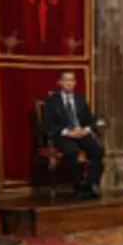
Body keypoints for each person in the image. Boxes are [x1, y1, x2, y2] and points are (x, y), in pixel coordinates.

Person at [42, 71, 104, 199]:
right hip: (64, 135)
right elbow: (48, 124)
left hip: (81, 133)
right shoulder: (51, 102)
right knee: (72, 152)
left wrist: (85, 129)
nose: (69, 83)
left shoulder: (80, 99)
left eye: (72, 80)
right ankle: (79, 185)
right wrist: (68, 132)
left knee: (97, 150)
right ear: (59, 82)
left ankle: (91, 183)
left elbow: (90, 120)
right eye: (66, 80)